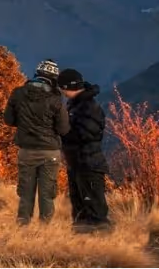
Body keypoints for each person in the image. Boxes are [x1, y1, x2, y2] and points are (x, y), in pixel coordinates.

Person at [3, 59, 70, 226]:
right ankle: (45, 230)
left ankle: (22, 226)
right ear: (54, 79)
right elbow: (63, 129)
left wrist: (24, 123)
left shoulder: (18, 93)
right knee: (47, 194)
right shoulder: (56, 100)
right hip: (50, 152)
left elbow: (8, 120)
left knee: (25, 192)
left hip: (26, 151)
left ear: (37, 74)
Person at [57, 69, 112, 233]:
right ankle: (82, 240)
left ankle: (103, 242)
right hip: (77, 164)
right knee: (80, 208)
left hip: (89, 164)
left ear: (67, 87)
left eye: (62, 87)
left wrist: (63, 133)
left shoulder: (88, 107)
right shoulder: (75, 104)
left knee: (95, 209)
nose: (61, 91)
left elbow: (88, 134)